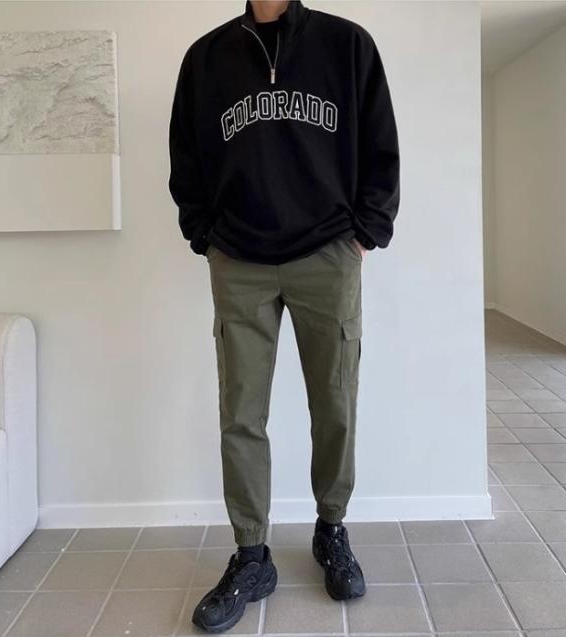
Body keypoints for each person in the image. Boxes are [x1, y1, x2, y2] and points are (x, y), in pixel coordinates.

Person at [168, 0, 399, 632]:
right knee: (241, 412)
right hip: (238, 258)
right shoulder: (206, 58)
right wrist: (203, 233)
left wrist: (366, 231)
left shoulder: (346, 45)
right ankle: (252, 555)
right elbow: (185, 156)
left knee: (335, 401)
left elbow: (381, 144)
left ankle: (331, 530)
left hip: (327, 253)